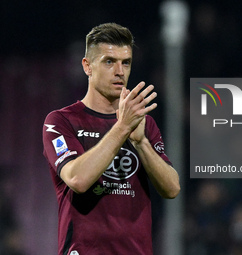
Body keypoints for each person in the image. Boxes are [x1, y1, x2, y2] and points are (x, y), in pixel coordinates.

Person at [42, 22, 180, 255]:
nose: (120, 71)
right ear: (87, 66)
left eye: (126, 62)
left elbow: (172, 188)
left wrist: (141, 143)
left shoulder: (143, 123)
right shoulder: (61, 121)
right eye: (109, 61)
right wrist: (122, 128)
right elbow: (77, 178)